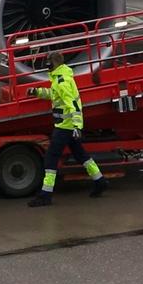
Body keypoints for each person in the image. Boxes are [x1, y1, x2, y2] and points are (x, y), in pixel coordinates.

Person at [28, 60, 107, 207]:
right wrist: (37, 92)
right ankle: (99, 180)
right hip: (68, 127)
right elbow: (54, 95)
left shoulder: (61, 80)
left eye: (48, 64)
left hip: (65, 127)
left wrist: (77, 126)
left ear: (54, 64)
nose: (47, 67)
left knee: (51, 158)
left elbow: (73, 105)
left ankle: (46, 195)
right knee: (81, 155)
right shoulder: (61, 77)